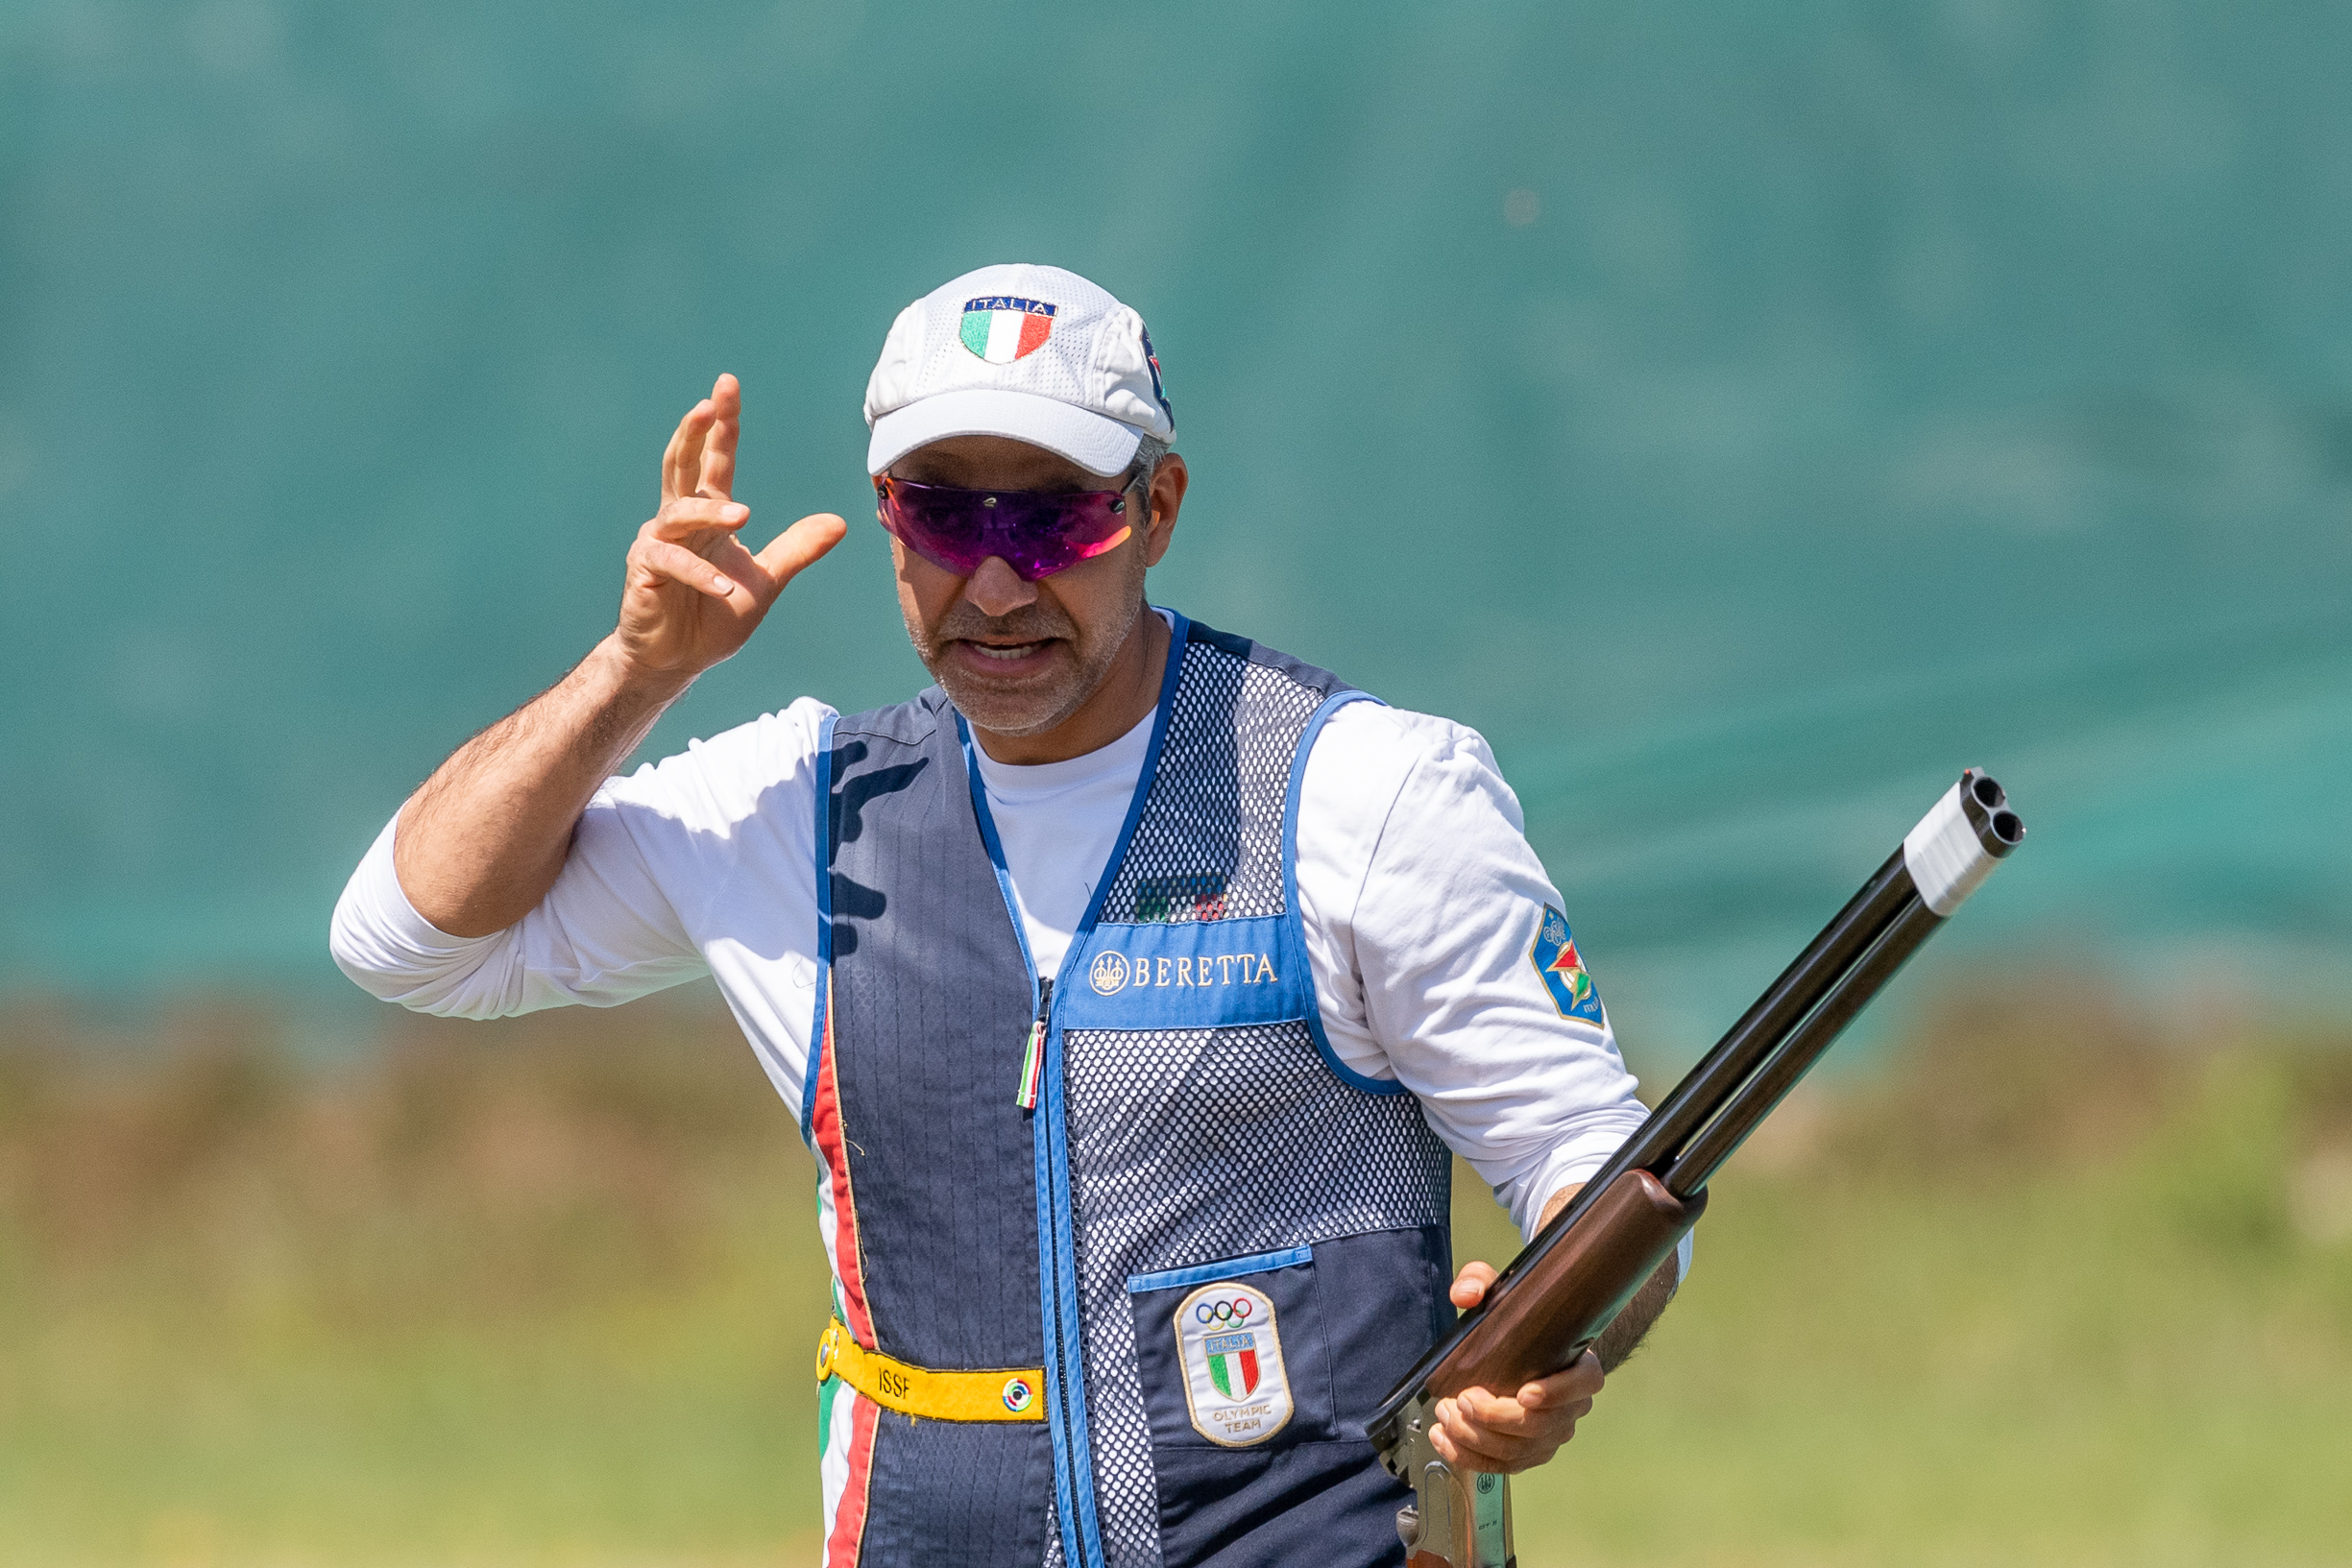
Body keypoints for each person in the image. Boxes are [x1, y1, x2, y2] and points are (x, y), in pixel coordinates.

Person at [330, 263, 1686, 1568]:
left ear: (1156, 508)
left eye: (1053, 520)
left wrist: (1559, 1338)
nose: (995, 582)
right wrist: (632, 671)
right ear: (884, 516)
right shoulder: (802, 801)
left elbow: (1598, 1169)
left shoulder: (1370, 787)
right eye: (945, 517)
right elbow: (407, 938)